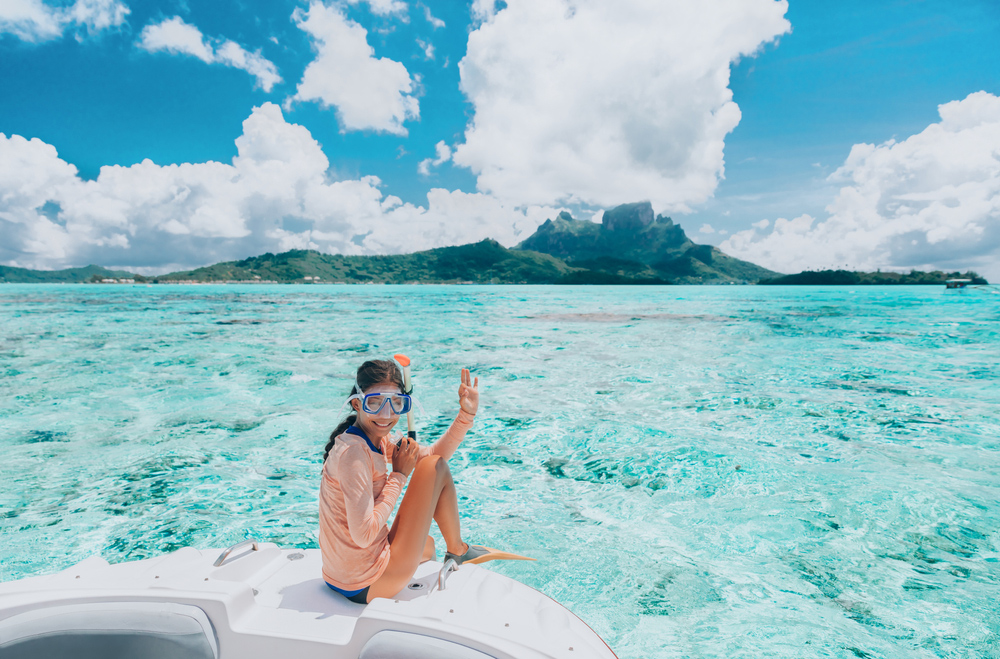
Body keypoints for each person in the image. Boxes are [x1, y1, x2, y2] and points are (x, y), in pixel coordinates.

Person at [319, 358, 500, 604]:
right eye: (374, 403)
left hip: (340, 576)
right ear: (356, 404)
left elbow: (434, 455)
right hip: (367, 583)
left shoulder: (375, 439)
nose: (386, 414)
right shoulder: (354, 454)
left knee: (427, 545)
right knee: (432, 468)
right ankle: (458, 550)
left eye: (396, 403)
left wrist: (465, 415)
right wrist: (399, 477)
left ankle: (454, 550)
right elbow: (363, 536)